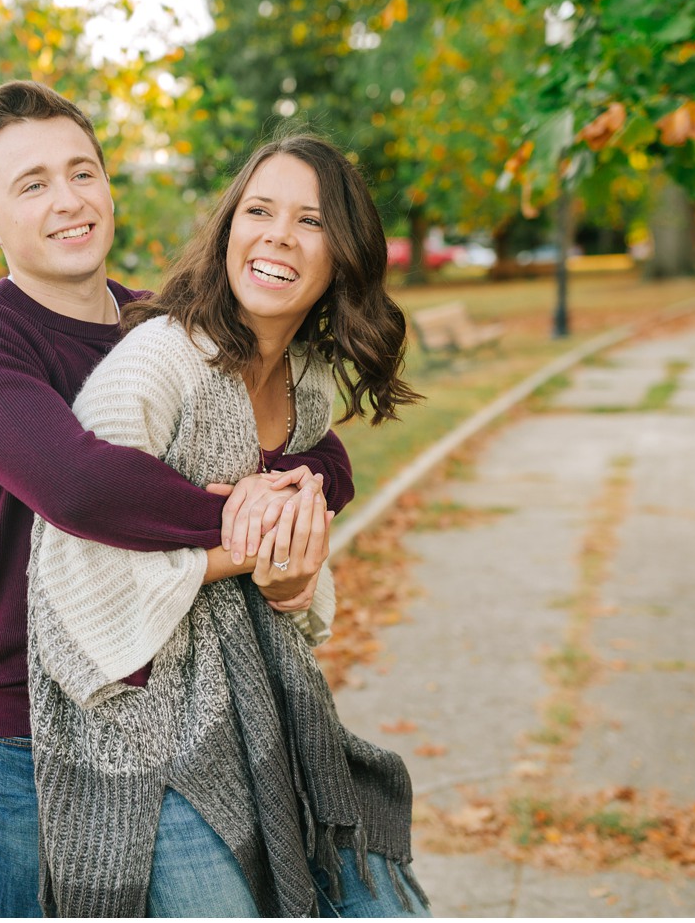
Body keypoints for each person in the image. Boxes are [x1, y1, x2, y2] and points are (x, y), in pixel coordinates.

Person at [0, 81, 356, 918]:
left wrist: (301, 501)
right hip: (36, 719)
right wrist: (254, 533)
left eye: (83, 172)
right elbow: (82, 486)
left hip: (193, 696)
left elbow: (314, 449)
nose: (69, 200)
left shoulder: (162, 326)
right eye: (32, 183)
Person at [28, 136, 431, 919]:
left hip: (268, 705)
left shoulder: (307, 381)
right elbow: (69, 565)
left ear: (341, 255)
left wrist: (288, 574)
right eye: (259, 211)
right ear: (228, 233)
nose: (279, 234)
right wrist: (241, 550)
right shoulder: (160, 362)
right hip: (138, 721)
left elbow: (302, 538)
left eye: (309, 220)